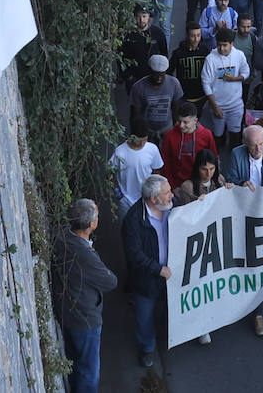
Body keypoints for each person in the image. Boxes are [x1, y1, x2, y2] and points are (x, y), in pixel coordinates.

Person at [52, 199, 117, 393]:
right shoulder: (84, 254)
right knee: (89, 371)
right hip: (85, 318)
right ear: (90, 225)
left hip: (67, 312)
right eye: (96, 215)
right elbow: (110, 281)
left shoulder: (62, 235)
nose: (98, 218)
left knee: (74, 360)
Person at [121, 175, 173, 367]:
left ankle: (165, 334)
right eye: (167, 193)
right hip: (147, 279)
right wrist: (158, 269)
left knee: (168, 308)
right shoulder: (133, 220)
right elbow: (134, 255)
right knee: (145, 316)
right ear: (154, 199)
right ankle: (147, 349)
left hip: (169, 273)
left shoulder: (170, 208)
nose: (171, 195)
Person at [201, 29, 249, 150]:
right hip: (218, 106)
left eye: (225, 45)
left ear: (232, 44)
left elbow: (246, 72)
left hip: (235, 105)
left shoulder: (239, 55)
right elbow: (206, 83)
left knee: (235, 135)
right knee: (218, 136)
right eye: (219, 45)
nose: (222, 49)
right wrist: (214, 106)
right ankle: (218, 160)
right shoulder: (210, 59)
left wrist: (236, 78)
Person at [109, 118, 163, 216]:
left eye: (145, 140)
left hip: (147, 198)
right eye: (139, 141)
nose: (142, 143)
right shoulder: (120, 152)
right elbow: (110, 173)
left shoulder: (152, 149)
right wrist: (118, 193)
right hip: (126, 202)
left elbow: (157, 171)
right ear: (132, 136)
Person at [159, 103, 216, 189]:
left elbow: (213, 160)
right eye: (179, 121)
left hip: (199, 183)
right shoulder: (169, 136)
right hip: (176, 184)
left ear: (195, 121)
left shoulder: (207, 135)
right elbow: (165, 163)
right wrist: (172, 187)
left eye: (185, 122)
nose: (181, 125)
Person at [127, 54, 182, 141]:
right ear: (149, 71)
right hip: (147, 132)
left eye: (162, 75)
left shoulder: (174, 83)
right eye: (155, 75)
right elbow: (135, 115)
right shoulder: (138, 87)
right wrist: (135, 136)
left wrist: (177, 132)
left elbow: (176, 110)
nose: (158, 79)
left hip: (167, 129)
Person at [222, 124, 263, 190]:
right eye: (253, 145)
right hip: (244, 194)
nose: (258, 149)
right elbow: (230, 178)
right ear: (245, 143)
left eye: (261, 144)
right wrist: (242, 183)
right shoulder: (236, 154)